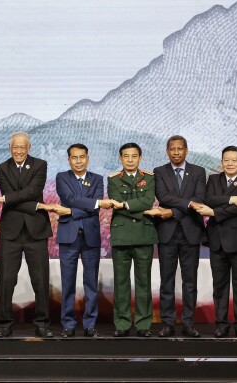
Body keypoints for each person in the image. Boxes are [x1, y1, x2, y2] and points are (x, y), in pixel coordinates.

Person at [0, 131, 54, 338]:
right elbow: (19, 196)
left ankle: (43, 323)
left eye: (22, 147)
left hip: (36, 230)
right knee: (7, 279)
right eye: (14, 147)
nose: (18, 151)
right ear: (10, 149)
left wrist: (8, 198)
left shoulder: (40, 165)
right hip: (11, 232)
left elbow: (32, 191)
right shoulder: (2, 168)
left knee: (40, 279)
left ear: (29, 148)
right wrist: (36, 205)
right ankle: (4, 324)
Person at [195, 146, 237, 338]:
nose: (229, 164)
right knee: (220, 286)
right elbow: (209, 198)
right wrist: (233, 198)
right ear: (222, 161)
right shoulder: (213, 179)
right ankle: (221, 324)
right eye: (226, 160)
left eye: (234, 160)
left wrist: (214, 212)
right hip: (217, 241)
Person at [55, 144, 113, 338]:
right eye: (74, 158)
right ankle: (68, 325)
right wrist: (90, 204)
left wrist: (71, 211)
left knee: (90, 283)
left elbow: (94, 208)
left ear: (87, 158)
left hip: (90, 236)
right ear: (69, 160)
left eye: (82, 157)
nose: (78, 161)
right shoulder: (62, 177)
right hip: (68, 236)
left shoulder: (97, 179)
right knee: (68, 282)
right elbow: (69, 198)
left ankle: (90, 325)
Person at [152, 135, 206, 338]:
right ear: (167, 151)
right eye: (172, 149)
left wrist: (174, 212)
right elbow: (163, 197)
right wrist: (188, 204)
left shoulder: (199, 172)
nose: (176, 152)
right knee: (167, 281)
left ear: (186, 150)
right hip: (167, 234)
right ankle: (167, 323)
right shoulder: (159, 172)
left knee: (189, 282)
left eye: (180, 149)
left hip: (191, 233)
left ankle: (188, 323)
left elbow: (200, 198)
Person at [107, 142, 159, 337]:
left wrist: (126, 205)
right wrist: (143, 211)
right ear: (120, 158)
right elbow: (115, 203)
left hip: (144, 236)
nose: (130, 160)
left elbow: (147, 201)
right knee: (121, 283)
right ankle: (122, 323)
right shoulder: (113, 179)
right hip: (121, 236)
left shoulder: (149, 177)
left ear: (140, 158)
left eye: (134, 156)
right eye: (126, 156)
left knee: (143, 282)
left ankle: (143, 325)